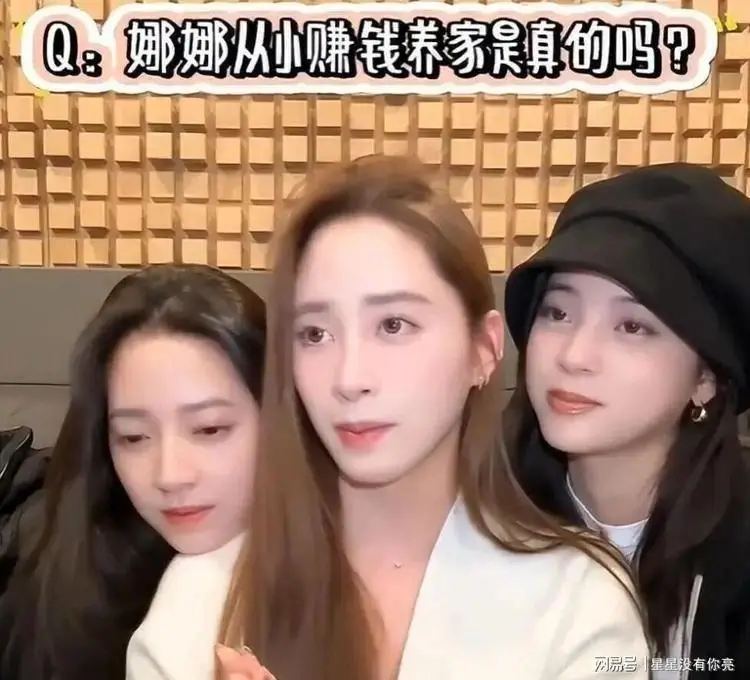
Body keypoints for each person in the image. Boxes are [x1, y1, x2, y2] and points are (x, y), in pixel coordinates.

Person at [213, 154, 649, 680]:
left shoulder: (578, 606)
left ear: (484, 350)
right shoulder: (205, 595)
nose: (349, 378)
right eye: (315, 334)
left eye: (393, 325)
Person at [503, 163, 750, 679]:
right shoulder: (478, 508)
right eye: (558, 313)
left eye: (632, 326)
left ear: (705, 379)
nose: (574, 356)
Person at [0, 264, 266, 680]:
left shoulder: (352, 564)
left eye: (209, 429)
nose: (170, 476)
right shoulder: (63, 595)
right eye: (134, 437)